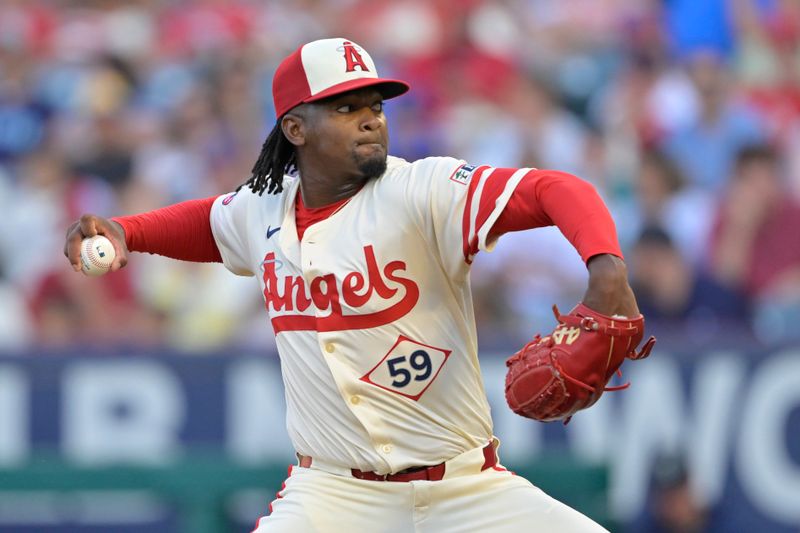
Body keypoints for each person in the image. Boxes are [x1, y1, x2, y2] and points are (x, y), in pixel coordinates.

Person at [64, 38, 645, 533]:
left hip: (468, 490)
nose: (371, 117)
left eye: (375, 105)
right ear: (295, 127)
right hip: (335, 497)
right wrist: (125, 231)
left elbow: (560, 190)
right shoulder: (262, 210)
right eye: (345, 108)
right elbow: (207, 223)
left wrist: (608, 270)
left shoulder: (423, 190)